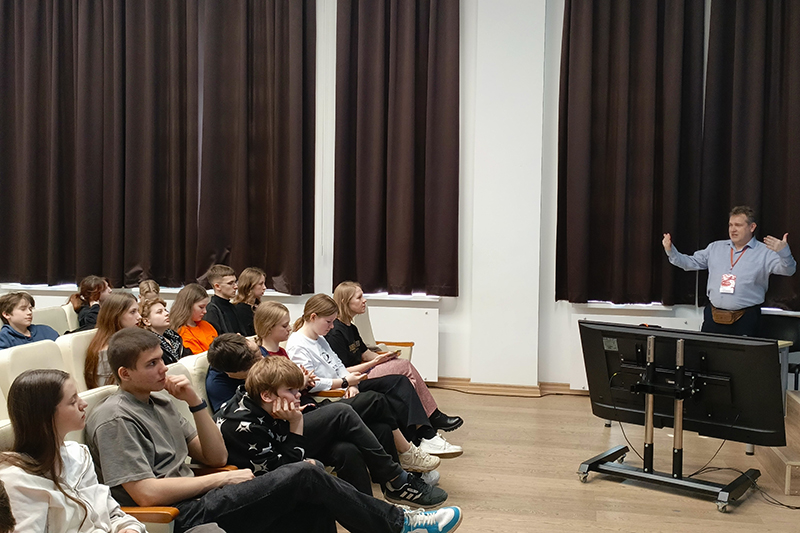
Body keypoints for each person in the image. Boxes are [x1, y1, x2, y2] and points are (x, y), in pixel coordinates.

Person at [86, 328, 463, 533]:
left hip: (205, 493)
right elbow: (145, 494)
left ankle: (393, 517)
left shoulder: (164, 402)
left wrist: (195, 403)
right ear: (125, 373)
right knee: (306, 473)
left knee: (313, 500)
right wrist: (220, 480)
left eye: (161, 361)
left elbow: (215, 457)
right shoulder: (116, 418)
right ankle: (399, 522)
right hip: (180, 513)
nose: (164, 370)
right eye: (152, 365)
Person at [217, 356, 446, 505]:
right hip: (265, 479)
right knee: (343, 412)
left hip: (286, 439)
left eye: (298, 390)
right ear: (267, 395)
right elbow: (283, 471)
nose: (297, 396)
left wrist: (296, 416)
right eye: (291, 391)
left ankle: (374, 513)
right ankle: (397, 479)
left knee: (347, 450)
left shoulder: (261, 400)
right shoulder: (244, 426)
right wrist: (296, 422)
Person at [207, 332, 441, 476]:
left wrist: (300, 384)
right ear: (240, 370)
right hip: (288, 425)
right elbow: (248, 424)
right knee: (359, 406)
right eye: (257, 357)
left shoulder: (259, 370)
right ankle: (400, 470)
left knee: (361, 439)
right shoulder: (223, 388)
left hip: (301, 411)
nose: (263, 357)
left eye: (259, 351)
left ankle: (392, 487)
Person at [287, 295, 462, 458]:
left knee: (399, 382)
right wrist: (346, 382)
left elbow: (339, 366)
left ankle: (424, 437)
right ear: (313, 317)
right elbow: (312, 384)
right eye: (328, 322)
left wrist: (352, 384)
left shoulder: (320, 338)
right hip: (332, 394)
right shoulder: (298, 345)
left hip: (345, 386)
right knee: (387, 400)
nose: (332, 326)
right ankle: (419, 442)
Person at [0, 368, 145, 532]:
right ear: (46, 416)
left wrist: (129, 528)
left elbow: (112, 515)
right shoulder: (16, 481)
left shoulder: (78, 455)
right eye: (72, 401)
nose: (84, 404)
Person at [328, 281, 464, 435]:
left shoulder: (351, 328)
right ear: (345, 301)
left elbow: (365, 353)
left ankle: (421, 429)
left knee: (407, 379)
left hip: (364, 370)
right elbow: (342, 370)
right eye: (359, 297)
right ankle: (434, 416)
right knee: (405, 365)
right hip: (355, 376)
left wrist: (387, 358)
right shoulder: (335, 332)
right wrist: (375, 362)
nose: (364, 300)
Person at [663, 205, 797, 336]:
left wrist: (784, 252)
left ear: (752, 227)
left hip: (746, 318)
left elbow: (789, 270)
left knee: (743, 351)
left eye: (738, 225)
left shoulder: (765, 252)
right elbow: (689, 263)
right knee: (708, 350)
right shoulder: (715, 248)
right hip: (713, 316)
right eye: (730, 225)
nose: (733, 229)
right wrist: (671, 251)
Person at [85, 293, 141, 389]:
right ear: (116, 316)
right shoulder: (106, 352)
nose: (139, 317)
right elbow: (108, 391)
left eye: (138, 311)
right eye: (133, 312)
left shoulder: (129, 341)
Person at [139, 297, 189, 364]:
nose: (166, 313)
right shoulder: (149, 344)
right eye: (159, 312)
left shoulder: (174, 337)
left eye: (165, 310)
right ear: (147, 321)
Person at [171, 283, 218, 354]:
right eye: (201, 307)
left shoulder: (207, 325)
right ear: (188, 306)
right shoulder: (181, 332)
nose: (205, 311)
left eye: (205, 307)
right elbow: (197, 358)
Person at [203, 265, 246, 336]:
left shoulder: (232, 307)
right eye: (230, 283)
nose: (236, 286)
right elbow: (214, 340)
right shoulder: (211, 310)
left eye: (235, 282)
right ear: (217, 286)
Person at [231, 267, 267, 336]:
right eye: (260, 284)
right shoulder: (240, 310)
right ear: (249, 286)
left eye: (264, 284)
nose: (264, 287)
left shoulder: (257, 307)